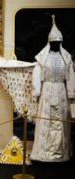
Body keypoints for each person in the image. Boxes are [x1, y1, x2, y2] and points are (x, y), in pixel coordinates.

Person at [30, 15, 75, 162]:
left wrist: (71, 93)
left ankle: (61, 153)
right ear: (49, 42)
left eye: (58, 42)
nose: (56, 43)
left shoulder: (66, 58)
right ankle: (43, 153)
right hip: (47, 91)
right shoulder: (42, 59)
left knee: (61, 121)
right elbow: (36, 74)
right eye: (53, 42)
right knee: (46, 120)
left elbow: (70, 76)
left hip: (61, 91)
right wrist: (36, 91)